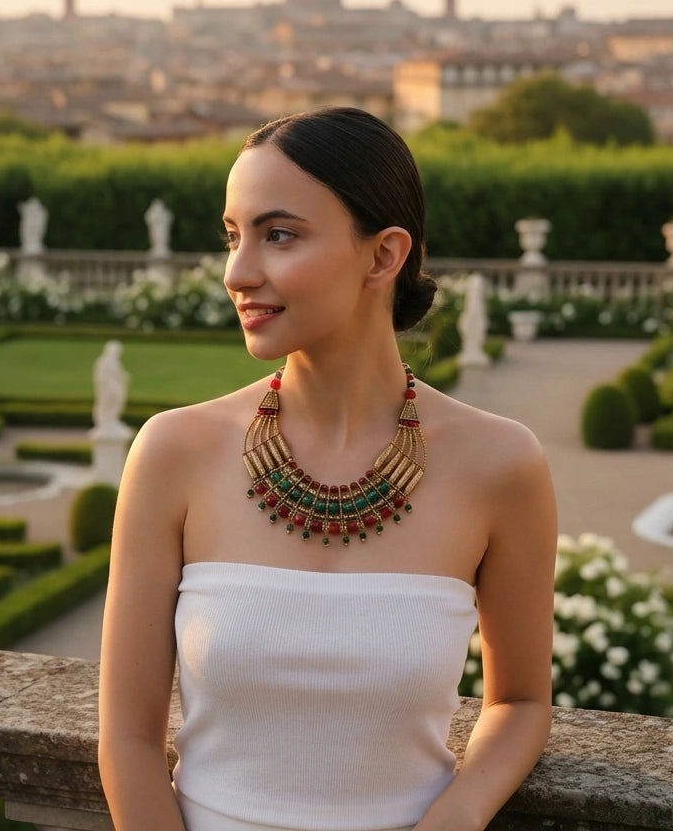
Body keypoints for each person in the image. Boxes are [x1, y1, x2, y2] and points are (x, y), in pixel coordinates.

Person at [99, 107, 557, 831]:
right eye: (233, 235)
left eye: (278, 235)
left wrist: (461, 813)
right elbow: (126, 738)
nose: (238, 272)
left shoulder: (501, 466)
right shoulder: (172, 453)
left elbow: (522, 701)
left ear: (383, 256)